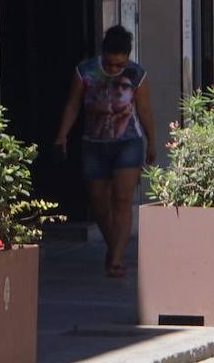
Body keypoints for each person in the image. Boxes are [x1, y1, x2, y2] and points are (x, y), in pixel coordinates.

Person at [55, 25, 155, 278]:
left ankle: (116, 259)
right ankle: (114, 247)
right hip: (94, 143)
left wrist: (152, 141)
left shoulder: (137, 75)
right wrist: (62, 134)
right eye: (109, 64)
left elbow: (144, 110)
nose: (113, 70)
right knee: (99, 203)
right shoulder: (85, 71)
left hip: (128, 143)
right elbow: (73, 104)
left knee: (122, 200)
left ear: (128, 58)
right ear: (103, 55)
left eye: (119, 65)